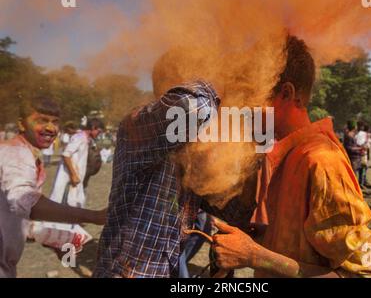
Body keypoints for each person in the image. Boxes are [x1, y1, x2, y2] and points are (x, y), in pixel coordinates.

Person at [211, 36, 371, 278]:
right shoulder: (290, 155)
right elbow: (305, 248)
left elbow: (366, 275)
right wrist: (262, 237)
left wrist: (254, 255)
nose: (241, 109)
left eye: (248, 97)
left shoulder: (322, 160)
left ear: (286, 93)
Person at [94, 80, 221, 278]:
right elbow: (196, 106)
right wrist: (225, 93)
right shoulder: (140, 122)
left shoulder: (188, 147)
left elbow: (227, 203)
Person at [0, 96, 106, 278]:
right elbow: (25, 202)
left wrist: (47, 235)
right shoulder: (17, 154)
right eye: (42, 120)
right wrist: (95, 216)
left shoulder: (26, 154)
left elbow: (12, 210)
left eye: (55, 122)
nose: (51, 128)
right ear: (22, 124)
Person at [49, 118, 105, 208]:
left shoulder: (87, 139)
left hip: (78, 175)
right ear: (93, 127)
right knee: (59, 199)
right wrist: (73, 174)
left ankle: (73, 220)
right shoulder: (79, 138)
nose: (99, 134)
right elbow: (66, 155)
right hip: (68, 174)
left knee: (77, 201)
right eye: (98, 131)